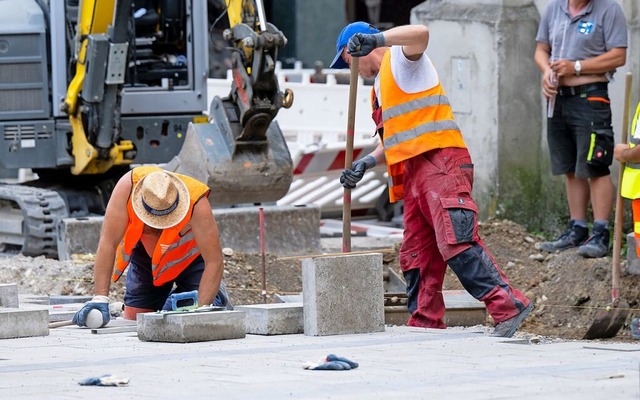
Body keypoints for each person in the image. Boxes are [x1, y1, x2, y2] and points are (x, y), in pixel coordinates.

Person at [331, 22, 532, 337]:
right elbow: (397, 138)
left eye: (347, 58)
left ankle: (508, 305)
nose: (351, 67)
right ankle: (425, 321)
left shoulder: (402, 60)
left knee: (457, 241)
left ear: (360, 45)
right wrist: (366, 163)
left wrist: (376, 38)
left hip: (440, 162)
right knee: (416, 253)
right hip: (416, 172)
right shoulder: (380, 88)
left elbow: (421, 33)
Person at [72, 166, 232, 327]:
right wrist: (100, 298)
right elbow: (108, 243)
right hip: (147, 259)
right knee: (137, 320)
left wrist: (202, 309)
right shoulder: (127, 188)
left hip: (190, 260)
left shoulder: (196, 201)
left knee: (182, 315)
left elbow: (214, 261)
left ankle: (216, 296)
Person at [534, 0, 627, 258]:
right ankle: (577, 229)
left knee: (595, 165)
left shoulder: (609, 10)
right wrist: (545, 72)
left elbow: (619, 55)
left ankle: (600, 233)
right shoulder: (554, 9)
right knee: (570, 167)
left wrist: (576, 66)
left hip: (591, 96)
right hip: (558, 99)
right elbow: (541, 49)